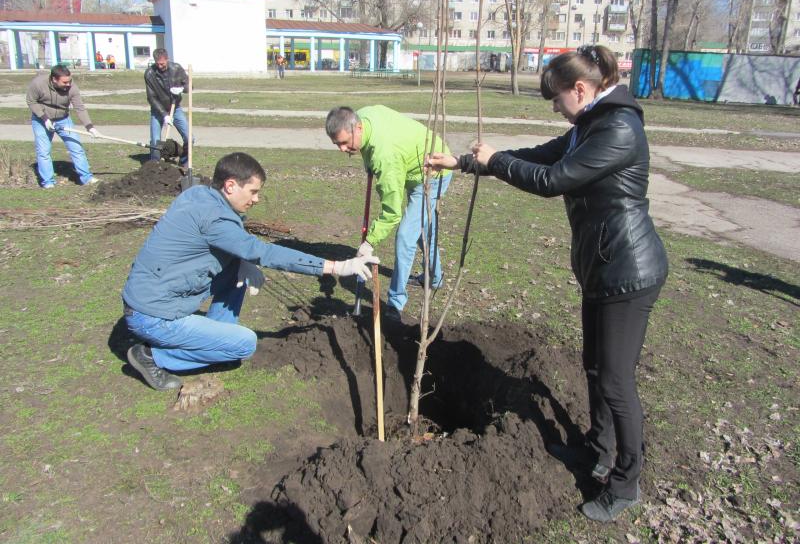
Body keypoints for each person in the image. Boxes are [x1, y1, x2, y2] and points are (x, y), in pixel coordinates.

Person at [428, 45, 668, 523]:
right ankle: (597, 449)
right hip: (602, 267)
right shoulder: (588, 125)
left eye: (557, 99)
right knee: (595, 370)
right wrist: (466, 163)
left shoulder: (619, 128)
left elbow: (553, 179)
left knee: (617, 381)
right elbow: (537, 156)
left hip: (629, 272)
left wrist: (496, 161)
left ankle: (625, 482)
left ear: (581, 89)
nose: (556, 108)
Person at [122, 152, 379, 391]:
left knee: (237, 270)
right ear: (231, 185)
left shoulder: (200, 194)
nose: (256, 199)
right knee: (244, 344)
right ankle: (151, 355)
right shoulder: (215, 219)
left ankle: (214, 335)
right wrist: (336, 266)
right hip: (153, 315)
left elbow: (230, 238)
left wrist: (243, 261)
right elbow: (265, 252)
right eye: (253, 191)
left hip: (151, 295)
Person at [326, 105, 452, 322]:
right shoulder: (362, 116)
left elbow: (391, 212)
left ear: (358, 128)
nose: (342, 149)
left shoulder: (385, 157)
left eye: (345, 143)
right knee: (420, 229)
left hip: (434, 170)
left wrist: (370, 242)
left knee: (405, 236)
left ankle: (395, 303)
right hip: (412, 164)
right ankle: (435, 277)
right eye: (337, 144)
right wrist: (367, 160)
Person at [26, 64, 101, 188]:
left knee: (76, 148)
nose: (68, 84)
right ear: (54, 79)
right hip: (41, 120)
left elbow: (80, 108)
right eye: (65, 82)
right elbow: (31, 101)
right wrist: (44, 118)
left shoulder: (72, 88)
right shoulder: (38, 83)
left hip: (63, 119)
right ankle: (48, 182)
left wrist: (90, 127)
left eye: (70, 81)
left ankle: (86, 178)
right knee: (44, 151)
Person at [144, 48, 189, 162]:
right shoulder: (149, 74)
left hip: (176, 108)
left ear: (167, 59)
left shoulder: (177, 69)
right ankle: (155, 164)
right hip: (158, 110)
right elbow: (151, 97)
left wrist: (182, 88)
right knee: (155, 141)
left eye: (163, 64)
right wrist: (164, 115)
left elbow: (189, 86)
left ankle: (184, 161)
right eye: (158, 64)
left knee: (189, 137)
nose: (160, 66)